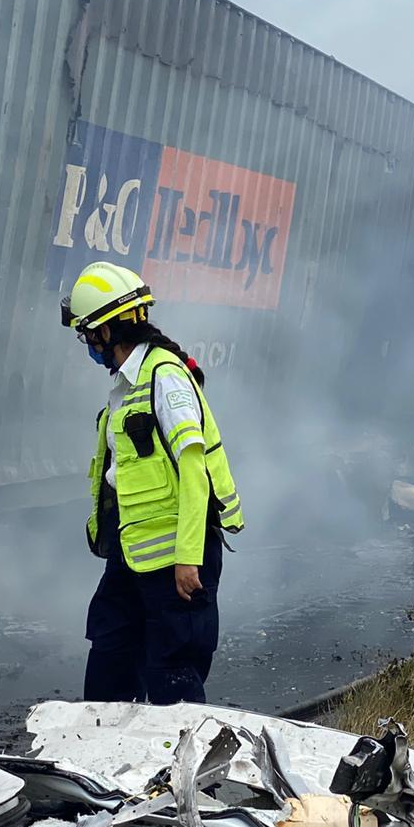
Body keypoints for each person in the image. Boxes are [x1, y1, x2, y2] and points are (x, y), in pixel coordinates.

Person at [61, 261, 244, 704]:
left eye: (88, 334)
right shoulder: (128, 384)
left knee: (171, 679)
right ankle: (101, 763)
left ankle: (173, 772)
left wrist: (187, 558)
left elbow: (194, 472)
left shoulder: (166, 377)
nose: (88, 344)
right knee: (110, 655)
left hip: (177, 562)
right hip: (134, 553)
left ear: (108, 330)